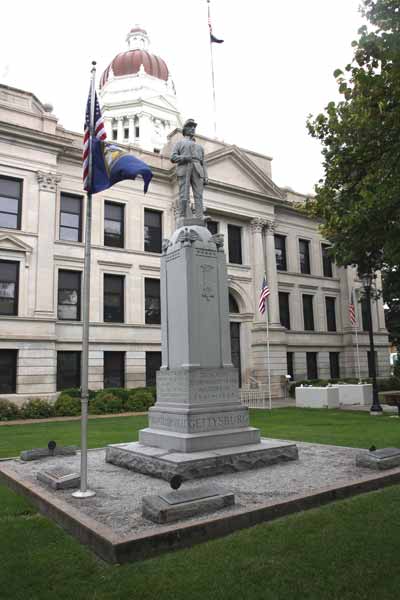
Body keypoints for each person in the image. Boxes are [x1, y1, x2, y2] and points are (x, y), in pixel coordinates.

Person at [170, 118, 208, 219]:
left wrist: (206, 177)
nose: (192, 129)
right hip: (184, 167)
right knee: (184, 193)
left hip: (197, 168)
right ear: (185, 129)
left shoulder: (200, 147)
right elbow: (173, 157)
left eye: (194, 127)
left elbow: (203, 162)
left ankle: (200, 215)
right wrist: (184, 158)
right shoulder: (179, 143)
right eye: (190, 126)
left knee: (198, 194)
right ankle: (184, 215)